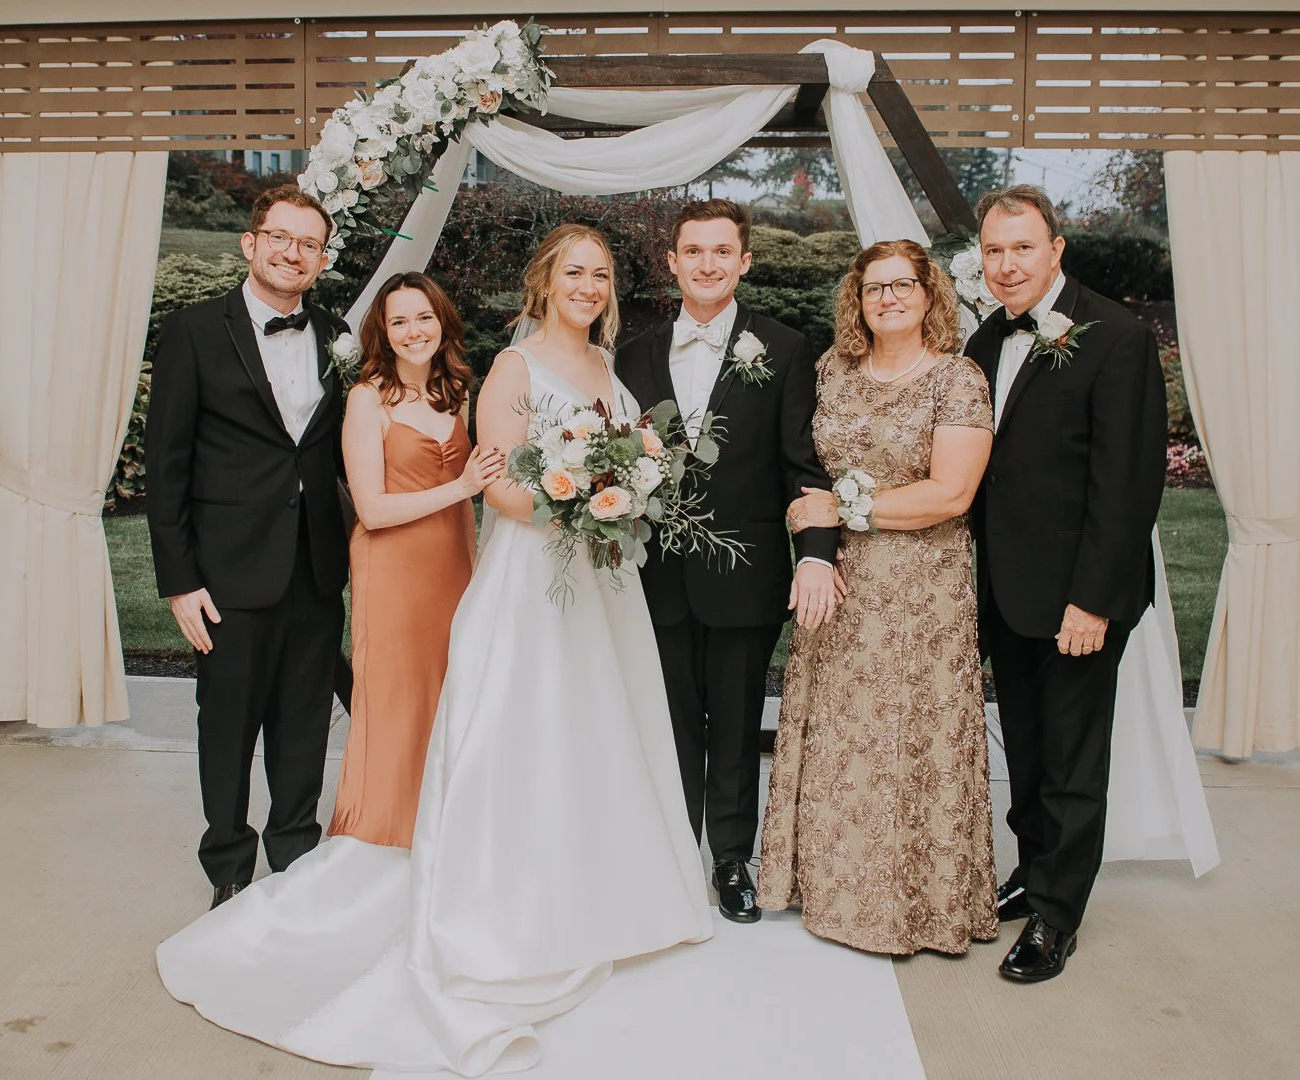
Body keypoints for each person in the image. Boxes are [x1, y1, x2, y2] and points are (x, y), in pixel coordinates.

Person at [155, 224, 711, 1074]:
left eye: (600, 274)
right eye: (574, 271)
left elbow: (564, 464)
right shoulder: (506, 370)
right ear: (544, 281)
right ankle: (278, 856)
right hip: (507, 564)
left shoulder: (597, 369)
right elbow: (502, 490)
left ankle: (597, 877)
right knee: (450, 711)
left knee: (596, 723)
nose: (588, 285)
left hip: (590, 577)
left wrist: (630, 493)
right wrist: (590, 506)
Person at [757, 240, 1000, 956]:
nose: (887, 298)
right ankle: (830, 889)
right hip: (837, 580)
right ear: (856, 300)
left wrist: (841, 511)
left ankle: (912, 904)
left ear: (929, 295)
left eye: (901, 285)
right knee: (840, 733)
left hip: (920, 587)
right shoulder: (831, 371)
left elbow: (950, 494)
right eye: (872, 289)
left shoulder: (957, 380)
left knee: (909, 734)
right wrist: (817, 537)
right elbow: (802, 470)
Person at [616, 200, 840, 924]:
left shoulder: (782, 346)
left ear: (744, 262)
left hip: (745, 575)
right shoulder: (632, 355)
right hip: (653, 575)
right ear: (672, 262)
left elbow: (800, 465)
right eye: (693, 251)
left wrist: (814, 555)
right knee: (670, 718)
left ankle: (732, 859)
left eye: (722, 251)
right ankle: (676, 851)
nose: (707, 263)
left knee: (738, 720)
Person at [966, 185, 1166, 982]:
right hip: (1008, 592)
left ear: (1056, 249)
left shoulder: (1115, 336)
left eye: (1021, 248)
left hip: (1079, 595)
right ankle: (1033, 868)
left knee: (1074, 762)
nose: (1007, 264)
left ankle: (1056, 917)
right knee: (1030, 750)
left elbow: (1127, 484)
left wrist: (1092, 600)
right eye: (993, 250)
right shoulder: (983, 341)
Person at [145, 184, 349, 911]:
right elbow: (166, 463)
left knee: (302, 724)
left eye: (308, 243)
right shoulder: (196, 331)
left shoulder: (339, 336)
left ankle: (295, 856)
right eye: (280, 237)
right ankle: (228, 865)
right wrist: (179, 580)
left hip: (316, 568)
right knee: (226, 728)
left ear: (321, 260)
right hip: (226, 575)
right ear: (251, 242)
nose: (292, 252)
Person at [328, 272, 506, 848]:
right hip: (394, 572)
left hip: (452, 568)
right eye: (399, 320)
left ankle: (440, 829)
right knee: (397, 698)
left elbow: (472, 496)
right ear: (383, 330)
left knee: (448, 694)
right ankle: (385, 832)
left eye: (423, 317)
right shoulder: (365, 399)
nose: (413, 331)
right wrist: (463, 487)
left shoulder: (457, 388)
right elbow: (373, 510)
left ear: (442, 322)